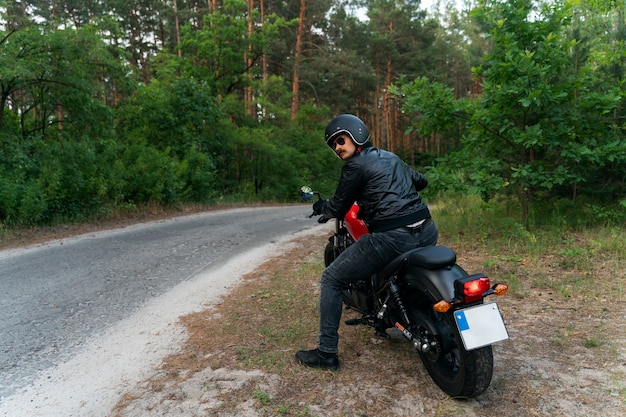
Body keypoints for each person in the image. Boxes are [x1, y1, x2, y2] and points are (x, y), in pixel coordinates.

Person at [295, 114, 438, 371]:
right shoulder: (391, 157)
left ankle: (326, 352)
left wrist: (321, 206)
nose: (337, 148)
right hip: (427, 229)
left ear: (357, 134)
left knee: (331, 278)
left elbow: (339, 206)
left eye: (340, 140)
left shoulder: (355, 166)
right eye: (333, 145)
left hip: (393, 238)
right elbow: (422, 181)